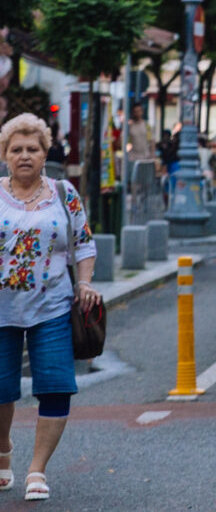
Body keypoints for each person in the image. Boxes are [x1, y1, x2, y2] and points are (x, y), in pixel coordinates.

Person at [0, 114, 100, 503]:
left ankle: (37, 469)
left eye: (33, 149)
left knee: (56, 386)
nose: (25, 155)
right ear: (6, 155)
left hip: (54, 305)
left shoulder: (63, 192)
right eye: (16, 149)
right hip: (1, 309)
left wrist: (86, 283)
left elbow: (85, 244)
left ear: (45, 154)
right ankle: (4, 451)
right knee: (2, 389)